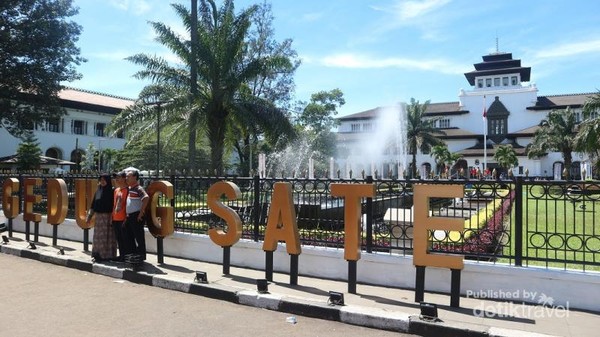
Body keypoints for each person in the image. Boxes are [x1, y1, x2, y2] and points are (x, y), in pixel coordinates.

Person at [87, 173, 117, 262]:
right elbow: (93, 204)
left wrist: (113, 217)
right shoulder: (99, 190)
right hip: (99, 217)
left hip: (109, 217)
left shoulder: (112, 191)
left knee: (108, 237)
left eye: (104, 180)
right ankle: (98, 254)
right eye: (101, 180)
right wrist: (89, 216)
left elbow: (114, 206)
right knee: (98, 237)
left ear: (108, 181)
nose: (102, 182)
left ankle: (108, 255)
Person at [123, 170, 149, 260]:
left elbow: (146, 198)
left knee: (139, 236)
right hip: (130, 216)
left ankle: (141, 255)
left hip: (136, 215)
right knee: (129, 235)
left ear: (134, 177)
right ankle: (133, 253)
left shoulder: (138, 188)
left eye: (128, 176)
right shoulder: (130, 188)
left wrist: (141, 212)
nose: (126, 178)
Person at [111, 171, 128, 261]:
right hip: (115, 218)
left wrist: (126, 218)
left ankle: (125, 256)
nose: (116, 179)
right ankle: (121, 256)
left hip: (123, 219)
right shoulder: (116, 190)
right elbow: (114, 205)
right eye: (116, 177)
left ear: (124, 178)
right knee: (119, 239)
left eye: (119, 177)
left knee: (125, 238)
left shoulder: (127, 190)